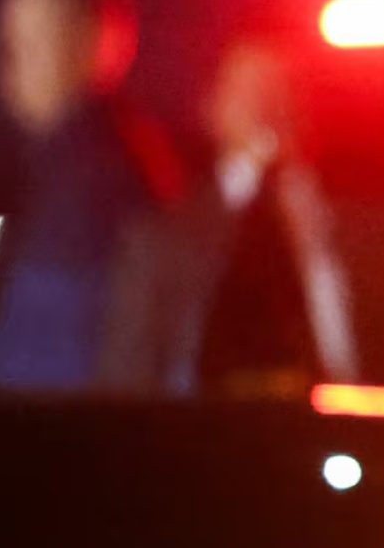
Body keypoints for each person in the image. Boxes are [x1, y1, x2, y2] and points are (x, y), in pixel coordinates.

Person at [107, 33, 359, 397]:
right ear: (211, 105)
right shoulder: (162, 239)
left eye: (281, 87)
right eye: (247, 89)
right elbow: (127, 378)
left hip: (349, 431)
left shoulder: (360, 232)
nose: (265, 106)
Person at [0, 0, 184, 391]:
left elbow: (55, 351)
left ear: (96, 46)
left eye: (38, 40)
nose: (14, 62)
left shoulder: (100, 175)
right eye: (12, 42)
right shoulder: (51, 165)